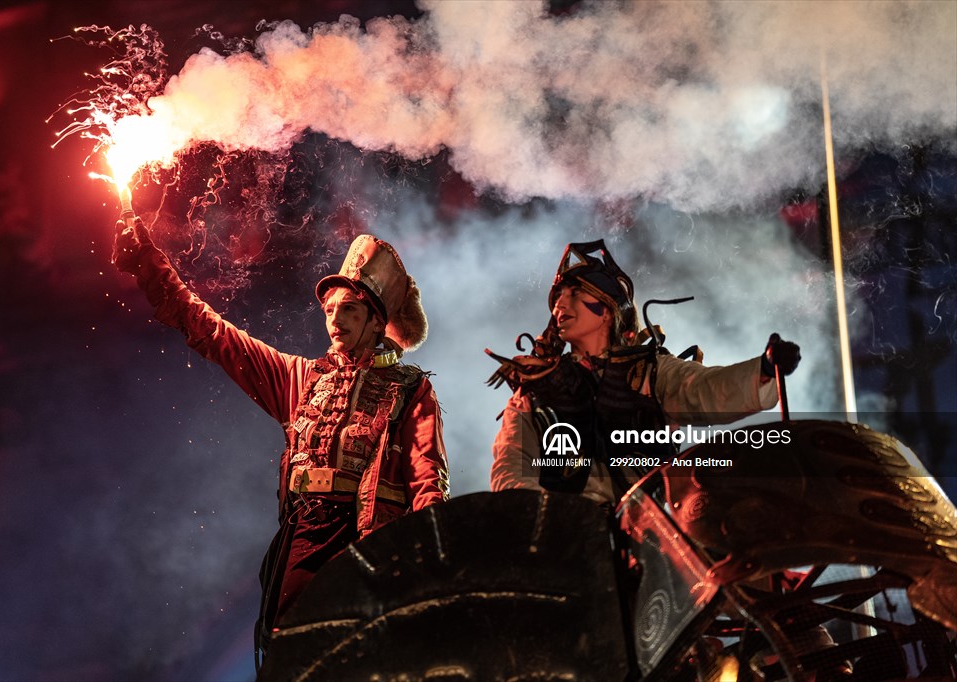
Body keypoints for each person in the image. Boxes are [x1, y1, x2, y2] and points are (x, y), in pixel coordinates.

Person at [112, 219, 450, 668]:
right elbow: (216, 335)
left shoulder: (410, 389)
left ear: (375, 319)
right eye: (329, 310)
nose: (335, 320)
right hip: (305, 538)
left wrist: (435, 566)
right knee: (292, 659)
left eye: (349, 309)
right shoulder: (301, 379)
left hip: (371, 543)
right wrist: (149, 265)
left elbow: (428, 479)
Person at [488, 239, 800, 505]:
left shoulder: (649, 372)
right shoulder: (534, 391)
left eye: (574, 293)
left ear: (607, 310)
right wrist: (546, 520)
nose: (559, 306)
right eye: (558, 298)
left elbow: (704, 390)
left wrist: (762, 370)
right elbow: (511, 467)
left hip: (649, 528)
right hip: (569, 543)